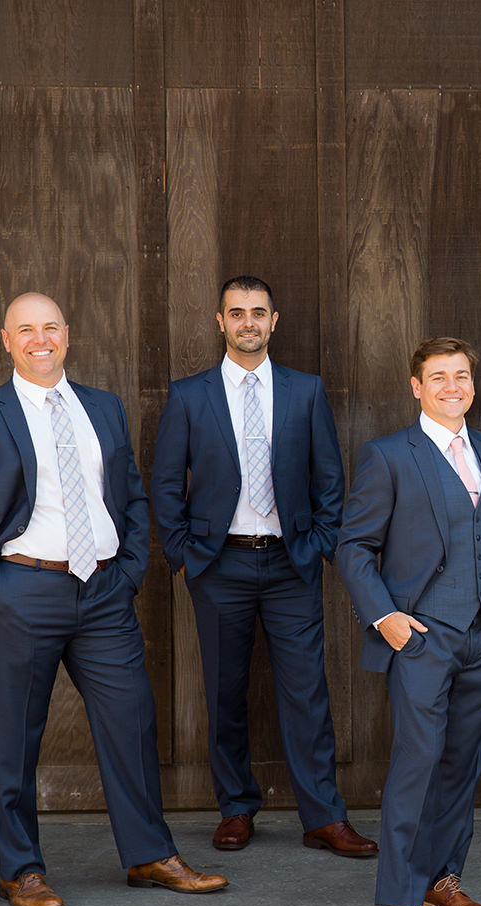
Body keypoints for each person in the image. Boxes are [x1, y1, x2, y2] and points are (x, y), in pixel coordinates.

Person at [0, 292, 227, 906]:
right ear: (5, 340)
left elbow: (132, 498)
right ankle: (22, 869)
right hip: (22, 592)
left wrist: (132, 568)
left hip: (105, 590)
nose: (41, 339)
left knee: (132, 723)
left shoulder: (103, 407)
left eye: (51, 327)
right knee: (16, 737)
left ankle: (148, 854)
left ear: (68, 333)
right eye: (26, 329)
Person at [151, 276, 374, 857]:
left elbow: (330, 476)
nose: (247, 322)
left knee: (307, 693)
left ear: (275, 321)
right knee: (225, 692)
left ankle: (323, 816)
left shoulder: (305, 391)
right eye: (236, 313)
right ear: (219, 322)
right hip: (217, 564)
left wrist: (322, 542)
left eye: (258, 312)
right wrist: (181, 553)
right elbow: (167, 482)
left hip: (289, 562)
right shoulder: (190, 395)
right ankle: (236, 807)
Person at [335, 337, 481, 906]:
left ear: (474, 384)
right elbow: (354, 547)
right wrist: (385, 618)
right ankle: (399, 900)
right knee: (417, 765)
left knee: (463, 765)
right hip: (421, 638)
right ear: (417, 387)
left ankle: (442, 878)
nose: (453, 386)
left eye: (462, 375)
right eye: (439, 377)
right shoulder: (390, 455)